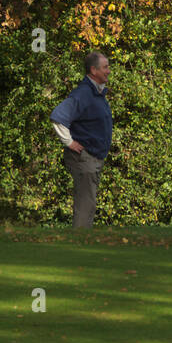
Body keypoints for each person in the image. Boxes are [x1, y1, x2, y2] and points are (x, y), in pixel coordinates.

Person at [51, 51, 113, 229]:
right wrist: (69, 142)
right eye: (105, 67)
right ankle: (80, 242)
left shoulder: (96, 93)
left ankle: (83, 240)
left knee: (89, 201)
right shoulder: (84, 93)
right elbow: (58, 116)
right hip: (84, 157)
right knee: (86, 202)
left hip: (92, 157)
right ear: (93, 70)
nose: (108, 71)